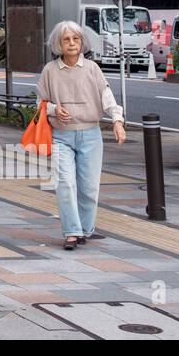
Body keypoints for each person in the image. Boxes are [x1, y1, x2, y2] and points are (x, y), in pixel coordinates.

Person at [36, 20, 127, 250]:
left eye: (76, 39)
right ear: (58, 43)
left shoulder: (92, 69)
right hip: (60, 135)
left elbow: (107, 97)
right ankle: (72, 232)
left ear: (82, 42)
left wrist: (117, 121)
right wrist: (54, 109)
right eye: (66, 39)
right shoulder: (50, 70)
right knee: (65, 184)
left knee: (88, 188)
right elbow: (40, 103)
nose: (72, 43)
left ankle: (85, 229)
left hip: (90, 135)